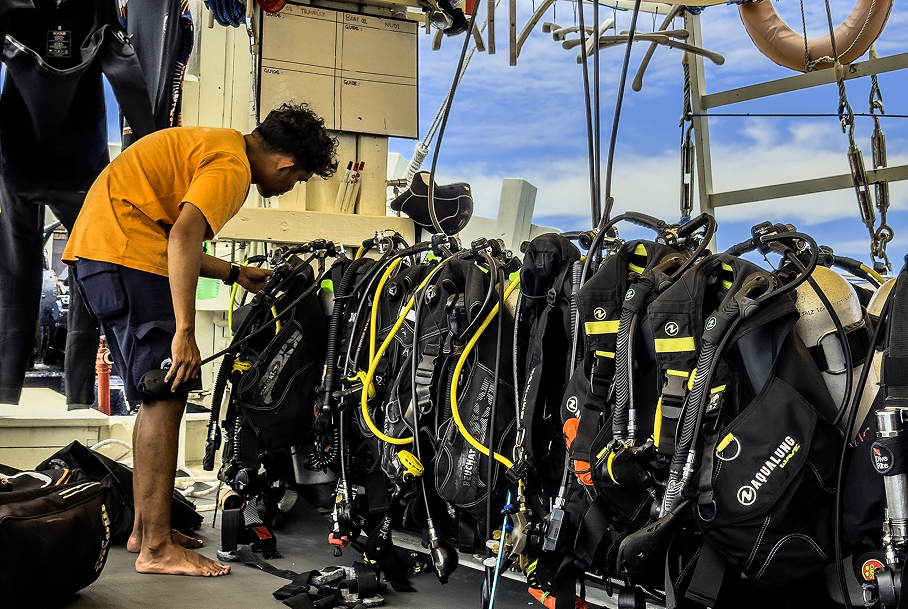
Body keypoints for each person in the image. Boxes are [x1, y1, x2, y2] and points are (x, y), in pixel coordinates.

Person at [63, 103, 338, 577]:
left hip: (106, 253)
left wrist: (235, 274)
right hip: (126, 258)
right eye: (296, 180)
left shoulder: (218, 144)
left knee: (154, 395)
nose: (288, 187)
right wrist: (185, 334)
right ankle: (156, 550)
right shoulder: (232, 166)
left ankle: (147, 531)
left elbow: (170, 235)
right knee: (167, 393)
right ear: (286, 165)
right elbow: (184, 237)